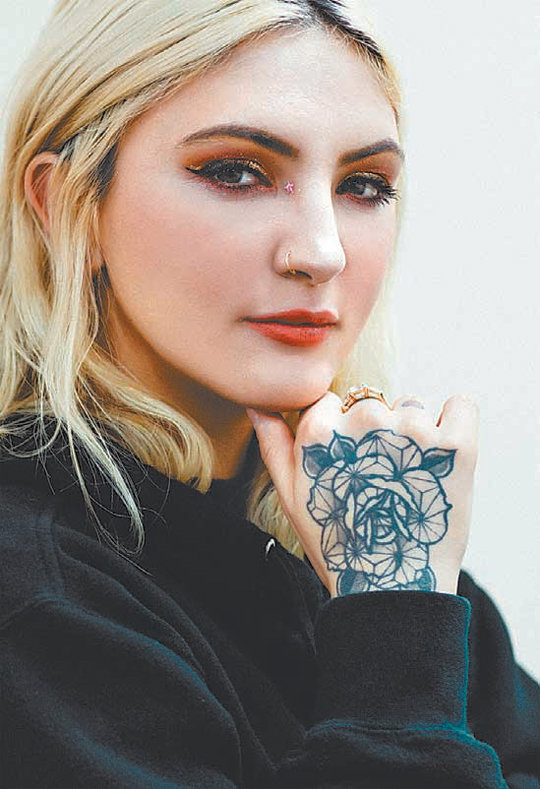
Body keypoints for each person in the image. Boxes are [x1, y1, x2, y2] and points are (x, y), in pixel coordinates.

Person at [0, 0, 539, 786]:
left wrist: (396, 597)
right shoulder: (37, 602)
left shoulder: (371, 548)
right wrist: (392, 639)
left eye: (364, 184)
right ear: (64, 202)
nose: (321, 251)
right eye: (235, 172)